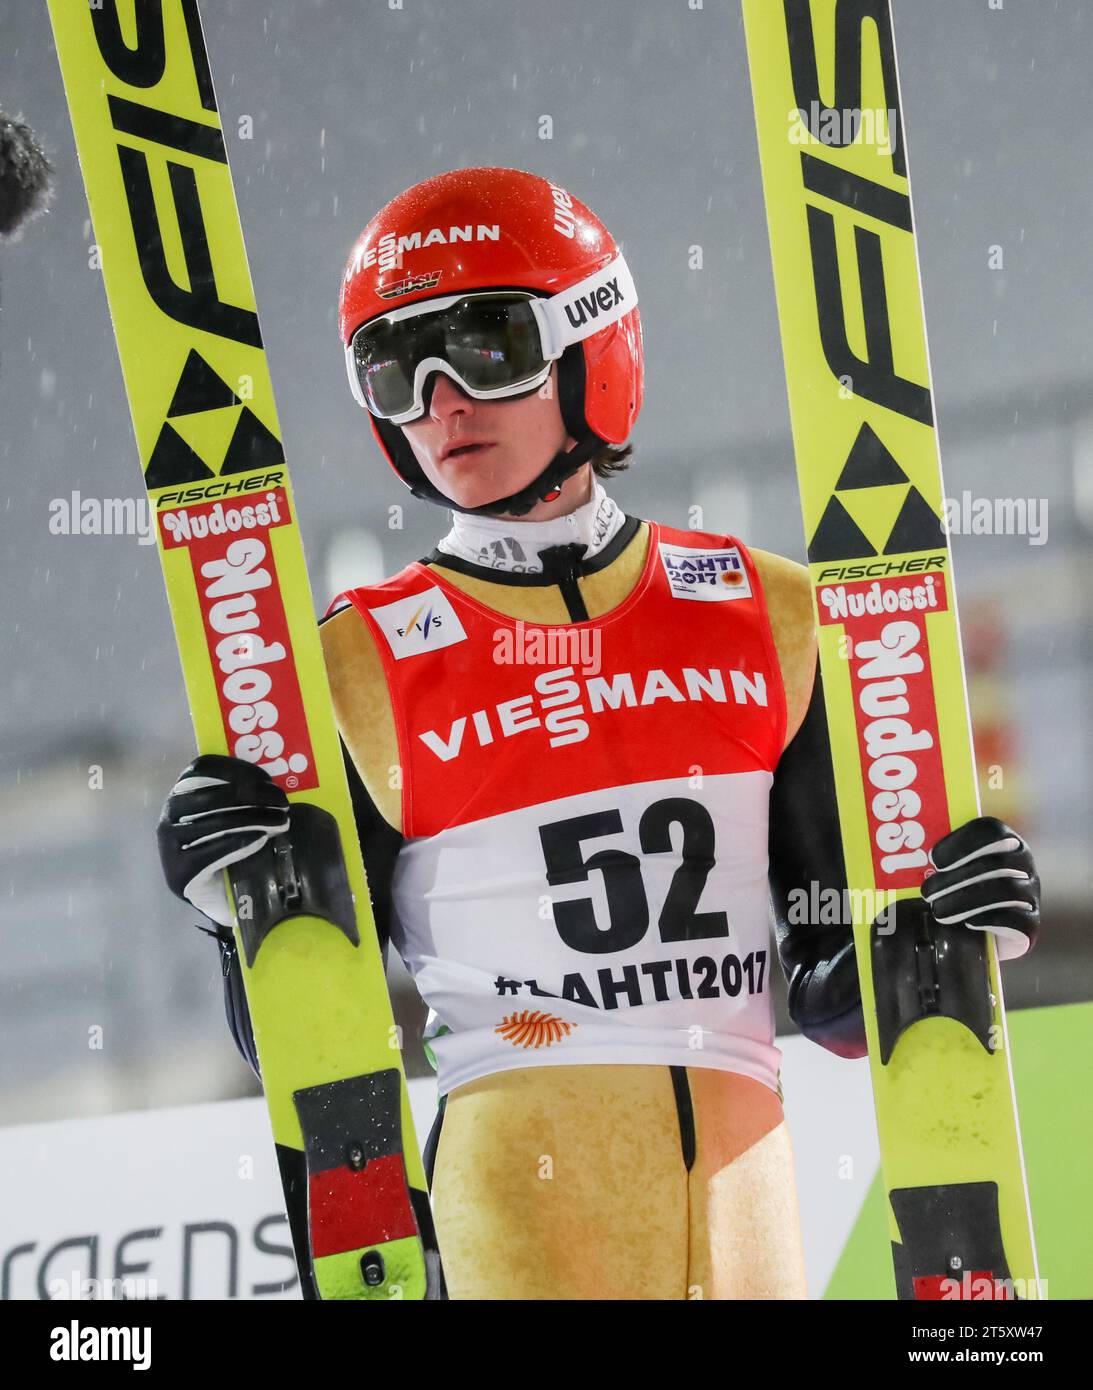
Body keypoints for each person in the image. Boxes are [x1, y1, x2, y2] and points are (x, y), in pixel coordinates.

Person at [158, 167, 1041, 1300]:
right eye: (394, 371)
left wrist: (940, 940)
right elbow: (310, 1035)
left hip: (750, 1209)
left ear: (591, 345)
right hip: (517, 1211)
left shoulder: (770, 614)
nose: (440, 404)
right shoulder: (356, 664)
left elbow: (821, 981)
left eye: (483, 350)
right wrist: (235, 914)